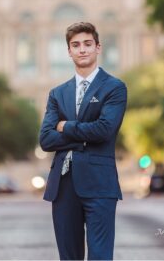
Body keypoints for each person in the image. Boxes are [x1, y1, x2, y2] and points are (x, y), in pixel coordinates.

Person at [39, 22, 127, 260]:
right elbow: (46, 139)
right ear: (68, 51)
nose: (82, 50)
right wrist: (83, 138)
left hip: (100, 184)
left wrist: (66, 126)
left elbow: (104, 131)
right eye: (75, 45)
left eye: (88, 44)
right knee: (69, 257)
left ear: (98, 47)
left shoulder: (115, 88)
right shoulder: (57, 93)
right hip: (63, 186)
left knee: (100, 255)